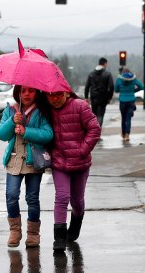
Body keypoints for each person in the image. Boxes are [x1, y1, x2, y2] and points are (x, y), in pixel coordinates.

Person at [0, 85, 53, 248]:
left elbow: (48, 135)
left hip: (33, 161)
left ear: (37, 92)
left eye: (31, 90)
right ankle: (15, 230)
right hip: (14, 161)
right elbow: (1, 134)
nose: (27, 94)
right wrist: (12, 121)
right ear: (17, 93)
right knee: (11, 195)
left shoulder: (41, 112)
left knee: (32, 198)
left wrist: (26, 131)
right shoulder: (10, 110)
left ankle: (33, 234)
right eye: (23, 91)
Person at [45, 90, 101, 251]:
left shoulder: (80, 106)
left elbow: (94, 129)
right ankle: (59, 238)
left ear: (67, 94)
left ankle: (75, 226)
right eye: (51, 95)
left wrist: (82, 150)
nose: (54, 99)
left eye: (58, 95)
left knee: (77, 200)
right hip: (59, 162)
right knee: (62, 197)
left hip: (80, 163)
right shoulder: (46, 111)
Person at [114, 67, 144, 141]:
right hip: (131, 101)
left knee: (123, 118)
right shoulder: (133, 79)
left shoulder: (119, 79)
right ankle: (127, 134)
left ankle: (123, 134)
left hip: (122, 101)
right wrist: (133, 90)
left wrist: (121, 90)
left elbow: (116, 90)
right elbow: (141, 86)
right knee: (128, 118)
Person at [84, 57, 114, 128]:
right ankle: (97, 132)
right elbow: (111, 86)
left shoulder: (91, 74)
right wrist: (109, 97)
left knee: (94, 115)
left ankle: (93, 132)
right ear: (105, 64)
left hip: (93, 97)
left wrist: (86, 97)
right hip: (103, 97)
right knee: (100, 115)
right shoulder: (108, 74)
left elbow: (87, 86)